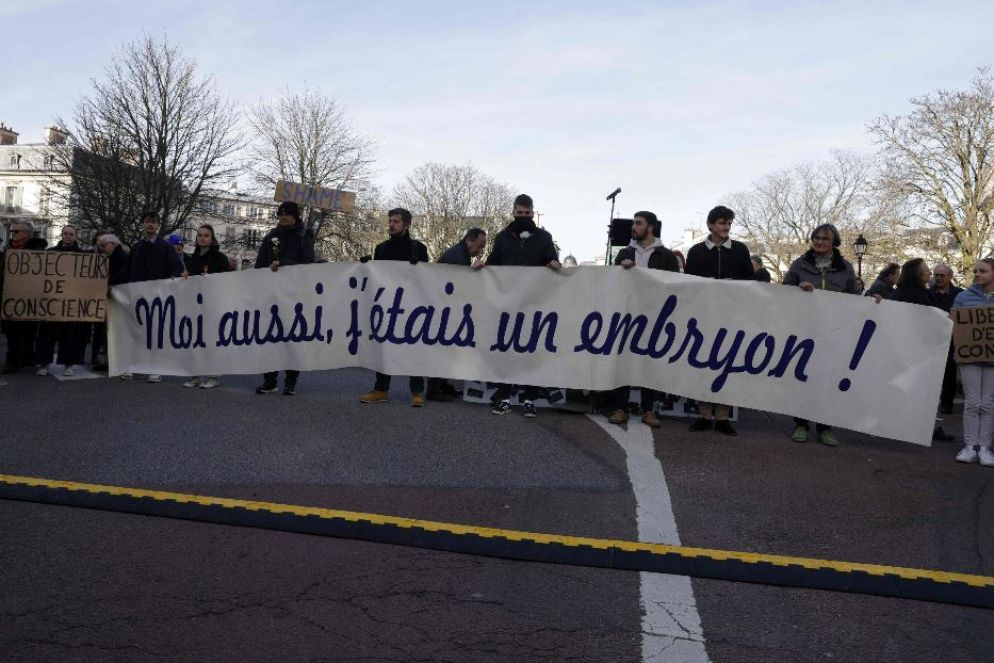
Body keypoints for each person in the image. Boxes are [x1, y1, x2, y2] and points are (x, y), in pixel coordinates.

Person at [781, 224, 861, 446]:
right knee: (803, 378)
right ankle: (801, 424)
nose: (818, 241)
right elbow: (783, 292)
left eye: (824, 238)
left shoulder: (845, 268)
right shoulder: (799, 265)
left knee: (828, 379)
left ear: (833, 242)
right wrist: (798, 289)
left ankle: (825, 427)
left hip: (834, 332)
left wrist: (874, 301)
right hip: (806, 330)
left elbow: (855, 297)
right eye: (815, 237)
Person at [484, 193, 561, 418]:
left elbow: (552, 260)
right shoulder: (502, 237)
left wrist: (555, 264)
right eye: (520, 213)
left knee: (531, 352)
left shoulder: (545, 237)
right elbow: (493, 265)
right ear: (513, 212)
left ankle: (529, 399)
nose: (524, 216)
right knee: (507, 350)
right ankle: (505, 396)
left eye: (527, 214)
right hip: (508, 303)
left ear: (533, 213)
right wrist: (480, 267)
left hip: (535, 302)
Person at [683, 205, 754, 435]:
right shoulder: (695, 252)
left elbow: (749, 282)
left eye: (729, 223)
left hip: (731, 316)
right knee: (703, 363)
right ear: (711, 225)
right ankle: (704, 413)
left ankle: (723, 416)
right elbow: (690, 285)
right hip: (704, 316)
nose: (726, 227)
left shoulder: (741, 250)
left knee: (727, 363)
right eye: (722, 223)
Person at [607, 211, 679, 428]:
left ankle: (649, 409)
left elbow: (675, 284)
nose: (633, 227)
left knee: (649, 362)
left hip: (654, 315)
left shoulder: (666, 255)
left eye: (638, 224)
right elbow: (612, 280)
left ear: (650, 228)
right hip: (627, 314)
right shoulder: (624, 253)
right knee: (624, 360)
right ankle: (621, 407)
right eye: (633, 224)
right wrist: (621, 266)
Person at [358, 208, 431, 407]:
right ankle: (381, 390)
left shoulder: (418, 248)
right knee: (384, 346)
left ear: (406, 225)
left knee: (413, 347)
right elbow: (377, 278)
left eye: (396, 221)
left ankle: (417, 392)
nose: (391, 224)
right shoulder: (381, 248)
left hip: (411, 306)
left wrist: (420, 267)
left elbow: (427, 279)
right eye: (390, 221)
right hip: (387, 305)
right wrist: (367, 266)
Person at [254, 201, 316, 396]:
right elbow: (260, 264)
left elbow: (308, 261)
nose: (283, 217)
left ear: (295, 216)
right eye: (280, 214)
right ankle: (269, 380)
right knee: (269, 337)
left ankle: (291, 381)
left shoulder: (304, 235)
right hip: (272, 294)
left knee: (292, 338)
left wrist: (284, 264)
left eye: (287, 214)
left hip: (295, 294)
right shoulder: (271, 236)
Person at [122, 211, 186, 382]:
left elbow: (176, 267)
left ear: (158, 225)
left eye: (153, 222)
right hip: (138, 296)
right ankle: (133, 366)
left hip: (158, 297)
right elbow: (128, 271)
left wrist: (174, 279)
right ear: (142, 224)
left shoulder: (165, 247)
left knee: (156, 333)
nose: (150, 225)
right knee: (136, 331)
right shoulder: (136, 247)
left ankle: (155, 367)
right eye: (147, 221)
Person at [426, 228, 488, 401]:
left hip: (445, 308)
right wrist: (472, 272)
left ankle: (442, 384)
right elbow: (459, 285)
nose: (481, 250)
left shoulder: (459, 254)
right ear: (470, 240)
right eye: (480, 245)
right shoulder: (458, 258)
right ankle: (434, 390)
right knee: (442, 350)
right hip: (445, 310)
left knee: (446, 349)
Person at [951, 259, 994, 466]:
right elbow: (954, 326)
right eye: (976, 271)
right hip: (970, 357)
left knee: (987, 404)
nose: (977, 274)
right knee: (972, 403)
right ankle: (970, 446)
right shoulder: (963, 297)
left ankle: (985, 448)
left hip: (992, 360)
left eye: (983, 271)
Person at [34, 225, 90, 377]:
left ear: (75, 236)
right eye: (65, 233)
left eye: (71, 234)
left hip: (71, 303)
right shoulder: (50, 253)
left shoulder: (83, 256)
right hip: (51, 302)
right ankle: (44, 364)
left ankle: (68, 365)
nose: (68, 236)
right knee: (46, 335)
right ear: (61, 235)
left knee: (70, 336)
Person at [182, 225, 232, 389]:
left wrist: (211, 278)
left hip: (213, 304)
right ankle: (195, 375)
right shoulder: (193, 257)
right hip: (195, 304)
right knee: (195, 340)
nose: (202, 238)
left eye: (206, 236)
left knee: (211, 340)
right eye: (200, 235)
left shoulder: (219, 258)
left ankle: (213, 375)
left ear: (212, 239)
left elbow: (226, 280)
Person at [0, 221, 48, 373]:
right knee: (12, 332)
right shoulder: (8, 250)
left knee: (27, 332)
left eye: (17, 232)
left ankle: (22, 360)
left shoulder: (38, 251)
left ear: (27, 234)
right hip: (10, 297)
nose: (13, 234)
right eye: (13, 232)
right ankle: (15, 360)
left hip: (30, 299)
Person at [930, 264, 963, 415]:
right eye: (936, 275)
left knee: (949, 373)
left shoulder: (959, 294)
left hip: (951, 339)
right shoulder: (928, 293)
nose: (938, 278)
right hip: (931, 339)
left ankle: (946, 403)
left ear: (950, 277)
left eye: (942, 275)